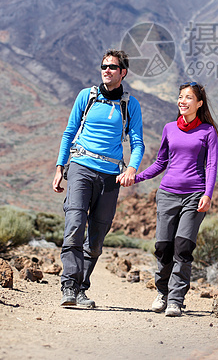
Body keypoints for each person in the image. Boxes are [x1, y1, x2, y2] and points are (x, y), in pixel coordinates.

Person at [117, 81, 218, 317]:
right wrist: (136, 177)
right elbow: (161, 162)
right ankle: (162, 292)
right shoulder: (169, 128)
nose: (183, 101)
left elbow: (212, 164)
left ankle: (175, 299)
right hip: (167, 194)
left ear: (199, 103)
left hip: (195, 195)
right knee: (163, 247)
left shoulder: (208, 131)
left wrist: (208, 194)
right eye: (181, 97)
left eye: (189, 98)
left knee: (183, 247)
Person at [52, 49, 144, 308]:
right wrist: (60, 167)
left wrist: (132, 169)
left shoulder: (130, 104)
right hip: (81, 167)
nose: (107, 70)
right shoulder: (87, 96)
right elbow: (69, 131)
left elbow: (137, 142)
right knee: (74, 225)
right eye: (104, 66)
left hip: (110, 177)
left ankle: (82, 288)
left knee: (95, 239)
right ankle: (69, 287)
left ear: (123, 72)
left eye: (112, 67)